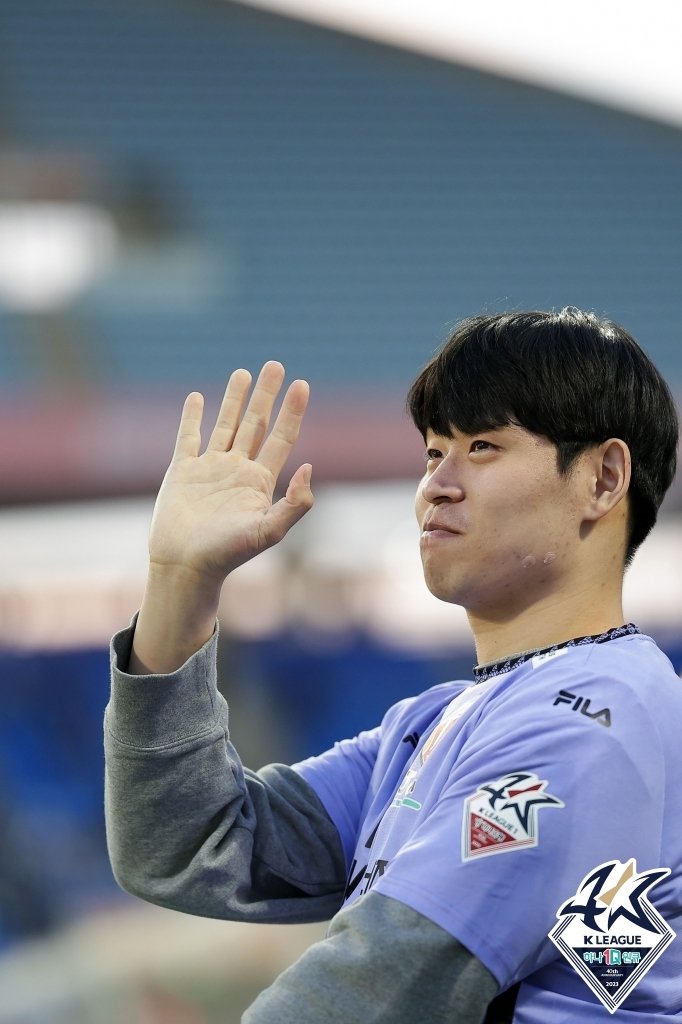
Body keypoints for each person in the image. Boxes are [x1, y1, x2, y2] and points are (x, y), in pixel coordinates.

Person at [105, 308, 681, 1022]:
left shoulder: (598, 717)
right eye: (434, 453)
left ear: (603, 478)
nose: (438, 483)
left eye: (483, 446)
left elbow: (375, 988)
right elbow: (192, 846)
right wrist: (179, 586)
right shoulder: (438, 721)